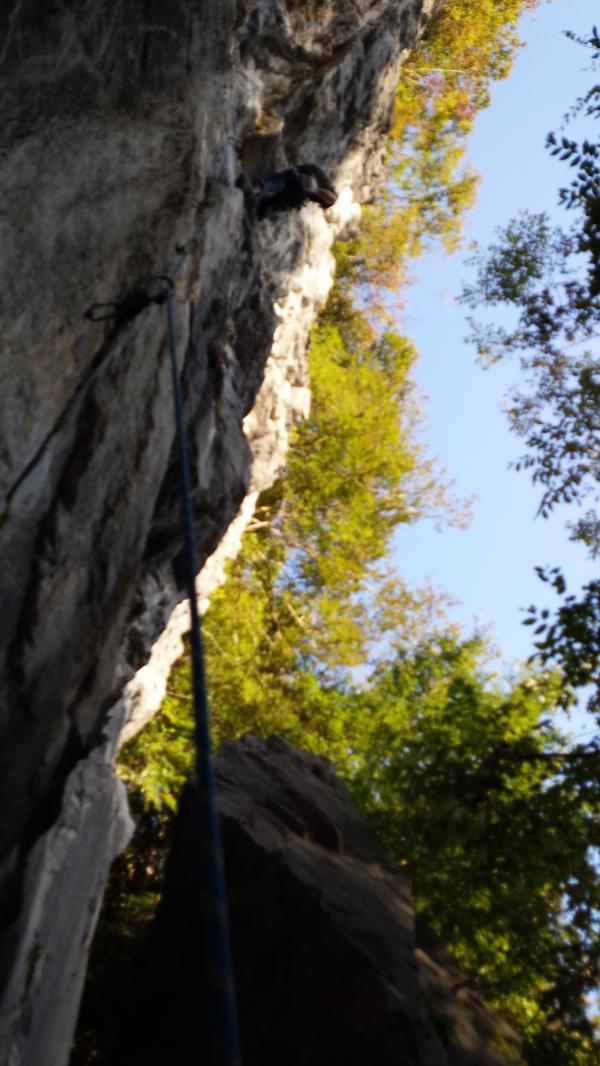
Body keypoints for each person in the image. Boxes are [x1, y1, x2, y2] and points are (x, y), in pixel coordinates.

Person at [237, 164, 337, 219]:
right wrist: (315, 189)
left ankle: (262, 203)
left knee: (278, 198)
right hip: (293, 179)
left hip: (295, 189)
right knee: (276, 184)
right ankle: (254, 190)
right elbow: (332, 199)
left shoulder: (318, 190)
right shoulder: (321, 181)